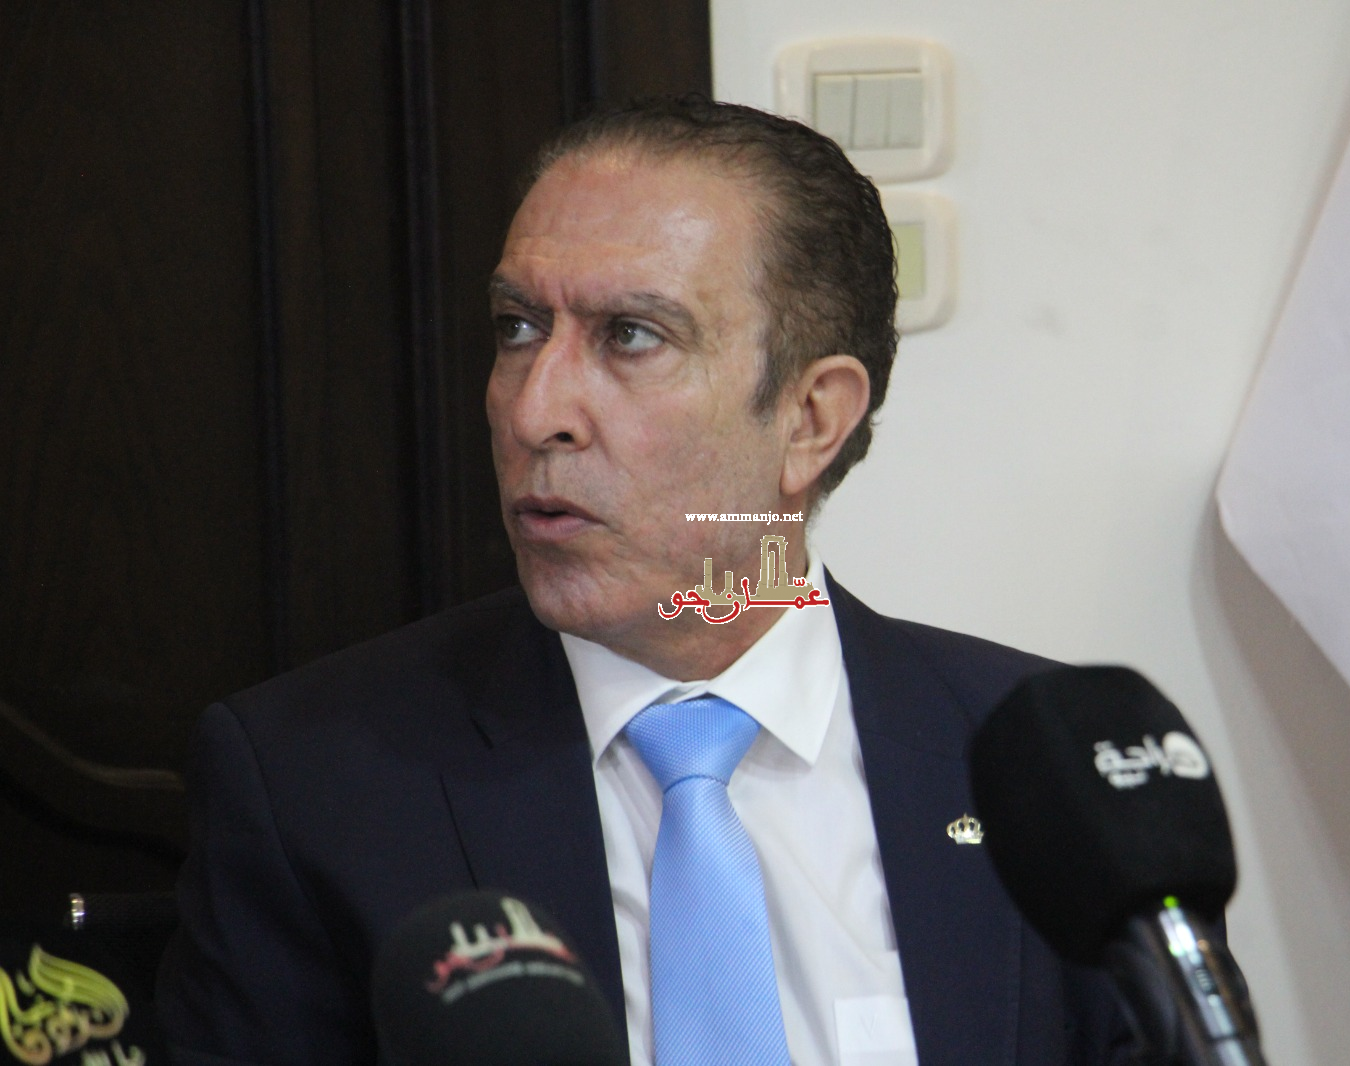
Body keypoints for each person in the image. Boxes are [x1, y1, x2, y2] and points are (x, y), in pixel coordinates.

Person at [156, 96, 1132, 1065]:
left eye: (630, 335)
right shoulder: (312, 786)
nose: (533, 412)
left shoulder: (1049, 768)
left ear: (810, 419)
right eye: (517, 327)